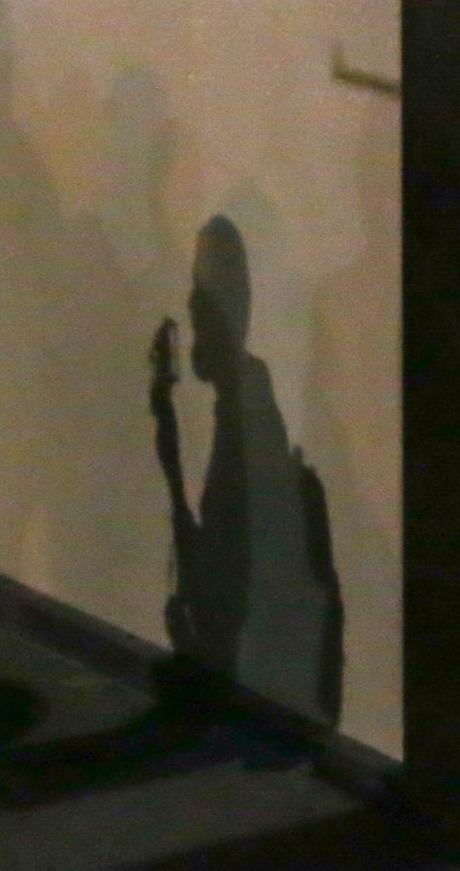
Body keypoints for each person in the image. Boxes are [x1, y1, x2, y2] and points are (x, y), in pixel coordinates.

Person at [149, 215, 342, 720]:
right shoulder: (244, 406)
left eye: (201, 289)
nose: (191, 305)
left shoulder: (248, 417)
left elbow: (232, 587)